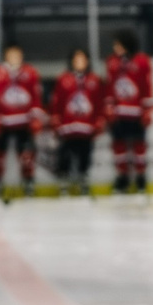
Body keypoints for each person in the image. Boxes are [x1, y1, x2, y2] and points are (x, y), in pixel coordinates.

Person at [0, 43, 44, 201]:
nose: (15, 58)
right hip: (3, 121)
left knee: (26, 153)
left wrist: (35, 117)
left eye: (17, 55)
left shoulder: (30, 73)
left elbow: (36, 97)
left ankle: (28, 182)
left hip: (23, 121)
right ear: (6, 56)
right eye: (11, 55)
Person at [47, 48, 104, 197]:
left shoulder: (94, 80)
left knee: (85, 155)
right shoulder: (63, 79)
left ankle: (83, 180)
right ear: (72, 62)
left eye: (82, 59)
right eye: (77, 60)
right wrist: (55, 118)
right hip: (67, 127)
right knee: (65, 155)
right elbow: (57, 102)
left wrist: (98, 120)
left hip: (86, 128)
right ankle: (64, 182)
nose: (80, 63)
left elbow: (98, 102)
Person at [105, 30, 153, 195]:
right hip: (119, 114)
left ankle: (140, 178)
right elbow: (110, 87)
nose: (115, 47)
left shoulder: (141, 61)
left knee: (139, 146)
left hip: (136, 113)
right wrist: (110, 107)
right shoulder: (112, 62)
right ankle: (123, 178)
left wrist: (146, 110)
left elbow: (146, 86)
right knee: (119, 146)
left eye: (118, 44)